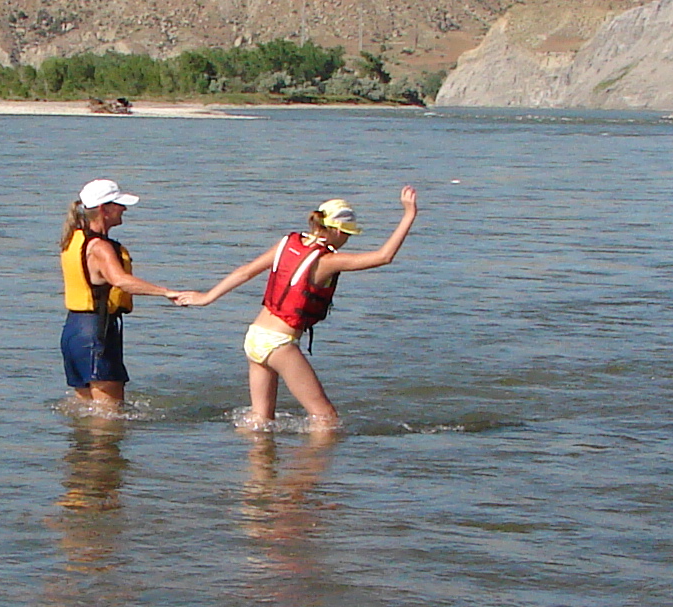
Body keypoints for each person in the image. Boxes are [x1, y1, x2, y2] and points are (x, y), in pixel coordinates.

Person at [179, 187, 419, 428]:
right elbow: (383, 256)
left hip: (255, 337)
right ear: (336, 231)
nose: (348, 240)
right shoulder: (327, 261)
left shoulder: (286, 243)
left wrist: (207, 297)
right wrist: (409, 214)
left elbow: (245, 271)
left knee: (260, 421)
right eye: (348, 235)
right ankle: (308, 467)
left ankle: (256, 464)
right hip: (278, 343)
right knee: (326, 419)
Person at [59, 178, 191, 410]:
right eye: (119, 204)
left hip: (74, 331)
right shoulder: (100, 247)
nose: (124, 209)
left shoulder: (73, 239)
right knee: (108, 417)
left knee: (85, 409)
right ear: (104, 209)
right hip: (96, 332)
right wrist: (167, 292)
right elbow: (120, 280)